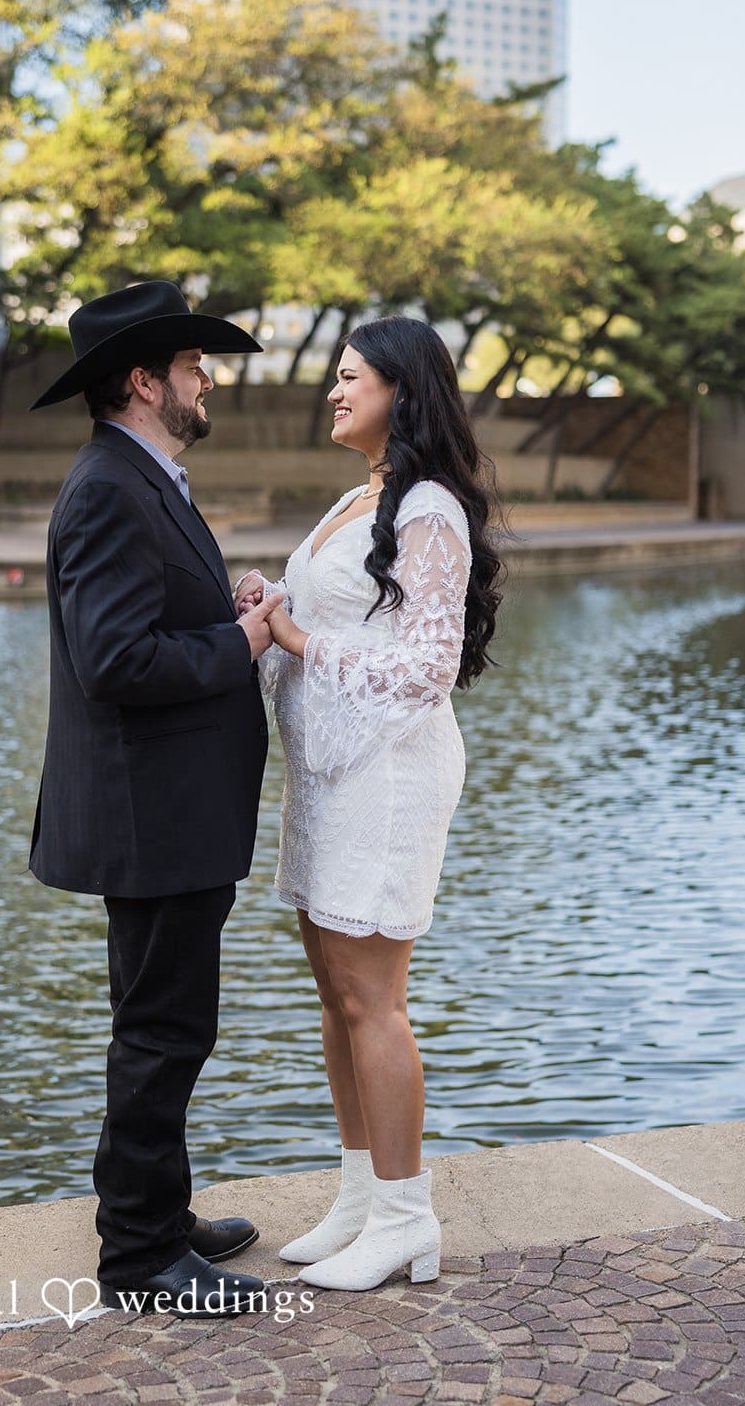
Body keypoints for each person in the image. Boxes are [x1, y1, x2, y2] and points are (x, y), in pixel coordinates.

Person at [28, 280, 283, 1319]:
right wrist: (242, 642)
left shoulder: (144, 477)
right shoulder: (107, 487)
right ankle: (138, 1256)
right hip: (152, 818)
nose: (204, 378)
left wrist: (223, 609)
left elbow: (151, 618)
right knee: (160, 1032)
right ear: (143, 382)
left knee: (169, 1026)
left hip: (172, 812)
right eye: (190, 364)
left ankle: (159, 1214)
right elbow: (115, 660)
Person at [235, 315, 503, 1293]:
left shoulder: (428, 506)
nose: (334, 391)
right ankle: (359, 1196)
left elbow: (425, 665)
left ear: (400, 389)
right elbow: (337, 609)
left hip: (387, 775)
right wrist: (270, 600)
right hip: (331, 772)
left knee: (373, 999)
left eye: (351, 377)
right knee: (335, 993)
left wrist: (298, 640)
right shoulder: (362, 495)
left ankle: (404, 1217)